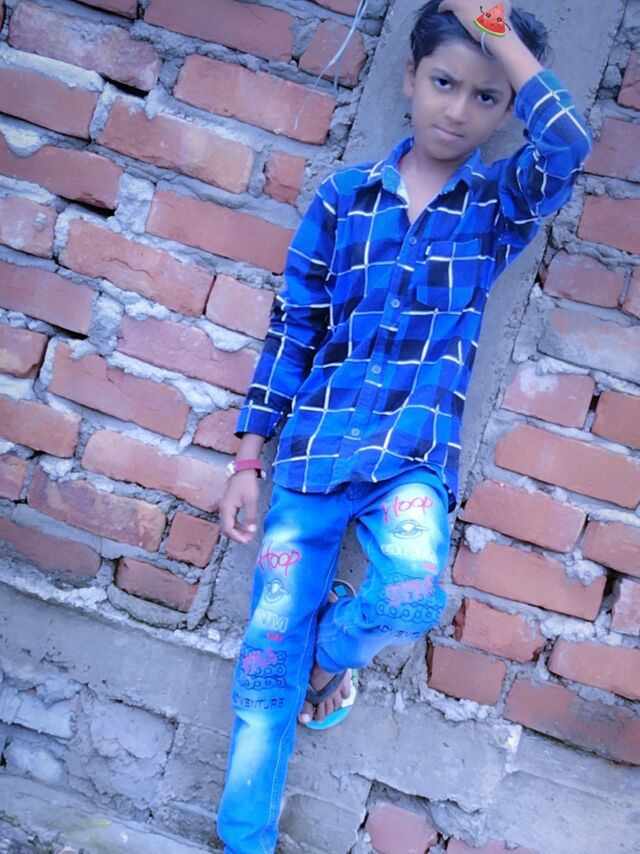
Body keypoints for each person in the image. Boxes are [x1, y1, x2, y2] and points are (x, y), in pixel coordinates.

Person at [216, 1, 591, 850]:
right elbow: (293, 329)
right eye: (443, 82)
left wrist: (494, 29)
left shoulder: (495, 208)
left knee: (414, 595)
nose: (457, 110)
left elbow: (568, 142)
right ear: (411, 77)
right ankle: (243, 840)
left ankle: (330, 654)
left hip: (410, 463)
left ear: (507, 109)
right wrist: (247, 456)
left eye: (486, 97)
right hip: (312, 457)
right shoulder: (343, 200)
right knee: (265, 667)